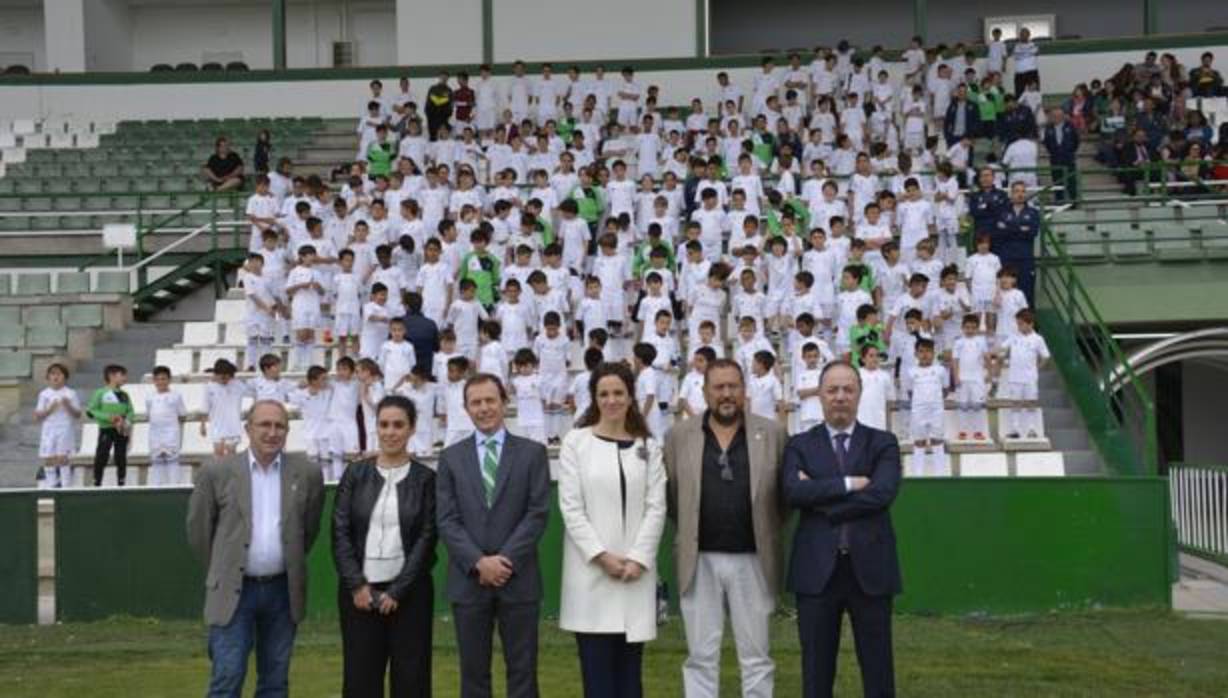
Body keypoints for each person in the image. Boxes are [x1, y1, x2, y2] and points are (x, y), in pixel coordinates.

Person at [662, 358, 789, 698]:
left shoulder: (773, 433)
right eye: (718, 387)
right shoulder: (679, 436)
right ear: (704, 392)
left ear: (744, 391)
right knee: (701, 656)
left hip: (754, 558)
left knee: (757, 656)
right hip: (698, 558)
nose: (727, 394)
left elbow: (783, 498)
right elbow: (674, 497)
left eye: (733, 386)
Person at [186, 400, 325, 698]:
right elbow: (199, 531)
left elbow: (307, 531)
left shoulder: (307, 474)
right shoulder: (217, 472)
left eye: (280, 426)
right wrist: (224, 568)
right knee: (228, 676)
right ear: (248, 428)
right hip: (233, 592)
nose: (272, 432)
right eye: (264, 424)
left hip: (282, 592)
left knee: (275, 681)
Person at [780, 360, 902, 698]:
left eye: (848, 389)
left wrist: (822, 500)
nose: (840, 397)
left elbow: (882, 494)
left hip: (871, 569)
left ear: (859, 395)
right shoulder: (799, 445)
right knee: (816, 672)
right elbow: (793, 492)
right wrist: (850, 484)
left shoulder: (883, 443)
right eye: (832, 389)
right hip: (817, 572)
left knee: (878, 669)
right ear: (819, 395)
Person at [435, 373, 551, 698]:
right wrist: (478, 563)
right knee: (473, 676)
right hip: (468, 582)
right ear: (466, 408)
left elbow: (537, 513)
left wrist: (503, 561)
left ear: (504, 402)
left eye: (490, 400)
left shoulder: (532, 453)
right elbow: (447, 519)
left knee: (523, 673)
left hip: (519, 579)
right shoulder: (451, 457)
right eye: (476, 402)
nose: (484, 408)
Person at [558, 362, 667, 698]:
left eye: (618, 392)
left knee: (630, 681)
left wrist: (638, 558)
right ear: (593, 398)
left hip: (635, 577)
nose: (611, 400)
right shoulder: (576, 442)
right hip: (592, 578)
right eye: (603, 394)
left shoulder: (648, 446)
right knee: (598, 682)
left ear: (631, 397)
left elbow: (656, 507)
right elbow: (571, 508)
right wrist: (602, 557)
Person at [332, 395, 438, 697]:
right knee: (360, 679)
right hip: (359, 596)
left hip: (411, 595)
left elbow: (427, 539)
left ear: (412, 429)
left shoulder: (427, 479)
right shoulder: (355, 473)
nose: (390, 432)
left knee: (412, 680)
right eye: (384, 424)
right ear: (375, 427)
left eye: (398, 425)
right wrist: (357, 586)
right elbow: (340, 532)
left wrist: (397, 591)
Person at [85, 364, 134, 487]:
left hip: (121, 430)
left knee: (121, 456)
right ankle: (97, 481)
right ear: (111, 376)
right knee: (102, 454)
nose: (125, 378)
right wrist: (109, 418)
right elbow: (92, 410)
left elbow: (131, 411)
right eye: (122, 375)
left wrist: (125, 421)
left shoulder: (125, 394)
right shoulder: (100, 393)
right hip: (106, 429)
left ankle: (121, 481)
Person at [994, 182, 1041, 305]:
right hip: (1007, 258)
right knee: (1006, 294)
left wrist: (1009, 227)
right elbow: (1000, 233)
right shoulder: (1002, 212)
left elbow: (1032, 233)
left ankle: (1029, 323)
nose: (1020, 194)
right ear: (1011, 194)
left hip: (1025, 259)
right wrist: (1021, 228)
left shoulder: (1033, 213)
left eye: (1022, 191)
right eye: (1016, 191)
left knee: (1027, 294)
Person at [1042, 107, 1080, 205]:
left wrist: (1070, 150)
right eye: (1054, 116)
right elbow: (1046, 143)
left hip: (1068, 158)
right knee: (1057, 181)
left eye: (1059, 116)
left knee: (1071, 181)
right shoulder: (1048, 128)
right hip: (1055, 159)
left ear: (1063, 116)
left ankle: (1073, 201)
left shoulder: (1070, 126)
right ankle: (1059, 200)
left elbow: (1076, 140)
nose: (1057, 118)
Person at [401, 291, 440, 376]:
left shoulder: (399, 323)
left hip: (405, 370)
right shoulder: (431, 324)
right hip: (426, 370)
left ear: (406, 306)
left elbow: (391, 342)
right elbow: (437, 347)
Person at [425, 71, 454, 141]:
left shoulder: (449, 90)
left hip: (443, 117)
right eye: (442, 77)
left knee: (443, 137)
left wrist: (448, 113)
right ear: (439, 77)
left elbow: (450, 104)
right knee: (433, 136)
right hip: (432, 117)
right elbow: (431, 101)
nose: (444, 78)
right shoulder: (433, 88)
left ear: (448, 79)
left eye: (445, 77)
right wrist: (429, 113)